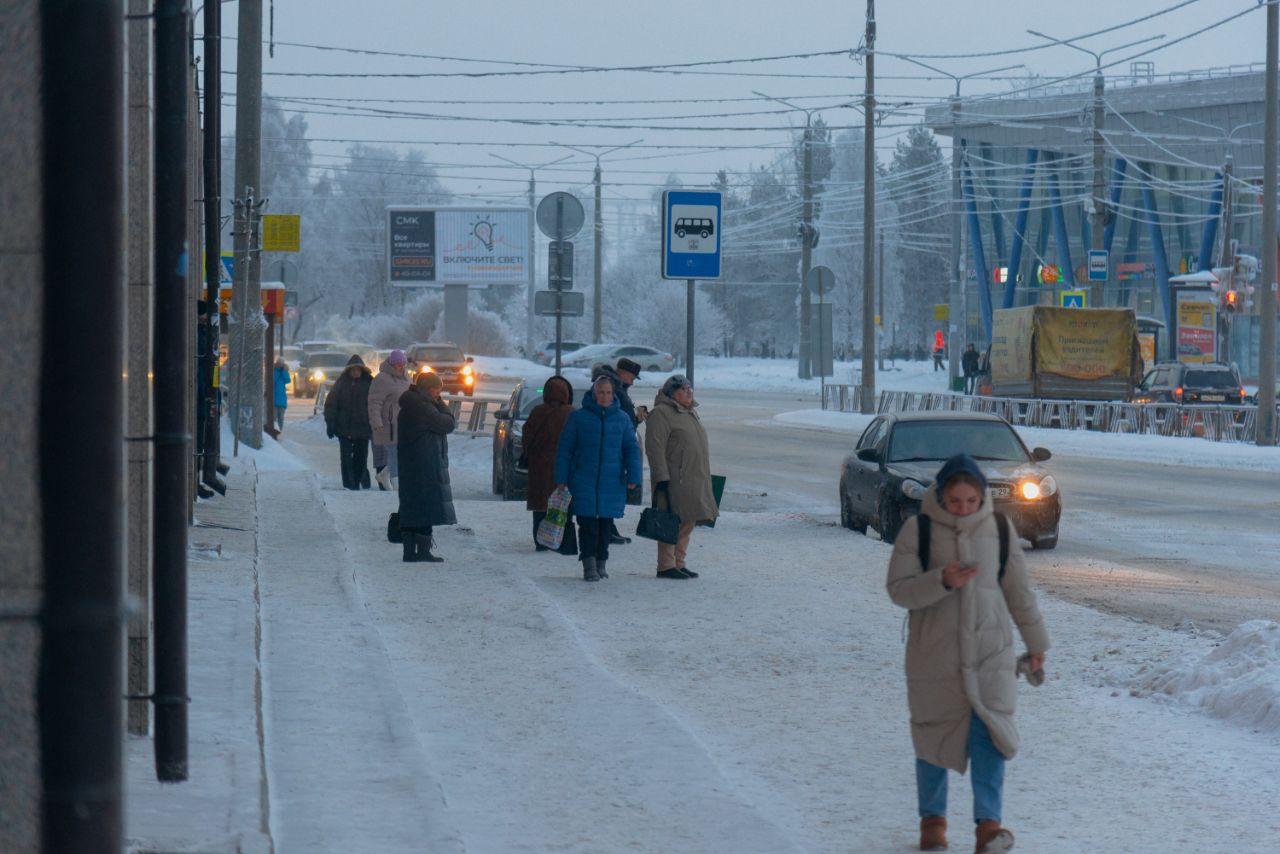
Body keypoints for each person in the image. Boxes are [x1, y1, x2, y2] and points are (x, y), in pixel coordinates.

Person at [885, 454, 1049, 854]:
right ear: (940, 496)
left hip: (990, 652)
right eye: (954, 501)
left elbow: (1019, 594)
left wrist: (1037, 644)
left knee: (991, 737)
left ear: (981, 498)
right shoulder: (917, 530)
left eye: (970, 501)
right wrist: (941, 579)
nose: (963, 508)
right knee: (932, 737)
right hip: (934, 656)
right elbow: (899, 590)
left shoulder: (1000, 530)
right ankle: (933, 822)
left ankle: (988, 827)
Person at [554, 376, 642, 582]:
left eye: (608, 392)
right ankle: (589, 566)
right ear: (594, 394)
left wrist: (634, 476)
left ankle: (602, 562)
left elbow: (631, 449)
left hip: (611, 482)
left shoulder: (622, 419)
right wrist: (561, 478)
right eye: (601, 392)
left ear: (613, 395)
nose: (605, 396)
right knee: (587, 526)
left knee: (605, 528)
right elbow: (565, 450)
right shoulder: (579, 418)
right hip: (583, 480)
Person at [644, 374, 718, 580]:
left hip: (693, 476)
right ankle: (666, 565)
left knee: (688, 519)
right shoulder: (661, 413)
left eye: (689, 389)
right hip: (673, 478)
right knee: (671, 520)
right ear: (671, 393)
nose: (688, 392)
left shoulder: (690, 412)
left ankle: (679, 561)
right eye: (683, 389)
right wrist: (661, 477)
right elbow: (655, 447)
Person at [396, 372, 457, 563]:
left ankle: (409, 552)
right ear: (427, 389)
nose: (439, 393)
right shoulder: (423, 407)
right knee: (426, 505)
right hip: (425, 462)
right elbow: (447, 423)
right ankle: (422, 551)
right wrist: (441, 405)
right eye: (436, 389)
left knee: (412, 505)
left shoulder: (411, 404)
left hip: (411, 462)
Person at [523, 375, 577, 555]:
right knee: (562, 504)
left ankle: (540, 541)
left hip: (539, 465)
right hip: (564, 465)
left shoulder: (537, 411)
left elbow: (527, 437)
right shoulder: (572, 413)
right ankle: (561, 540)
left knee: (540, 505)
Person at [323, 354, 374, 490]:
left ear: (362, 370)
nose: (356, 372)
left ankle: (359, 479)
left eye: (358, 370)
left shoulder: (369, 384)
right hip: (344, 427)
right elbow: (331, 404)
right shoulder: (341, 385)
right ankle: (349, 485)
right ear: (349, 371)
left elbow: (376, 405)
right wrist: (330, 423)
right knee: (345, 459)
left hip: (363, 428)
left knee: (361, 458)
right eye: (353, 370)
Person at [368, 349, 410, 491]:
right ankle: (397, 486)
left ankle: (384, 475)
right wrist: (376, 422)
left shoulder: (406, 378)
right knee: (393, 453)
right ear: (391, 364)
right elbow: (374, 402)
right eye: (398, 364)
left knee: (401, 453)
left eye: (403, 364)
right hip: (388, 424)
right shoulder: (381, 379)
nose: (401, 366)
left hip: (404, 423)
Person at [272, 357, 291, 431]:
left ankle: (280, 430)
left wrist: (283, 371)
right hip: (274, 399)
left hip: (282, 399)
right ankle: (274, 430)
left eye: (281, 364)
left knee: (281, 417)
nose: (280, 365)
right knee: (274, 417)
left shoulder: (284, 371)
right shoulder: (274, 371)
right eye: (279, 363)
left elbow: (288, 380)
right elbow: (273, 379)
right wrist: (277, 371)